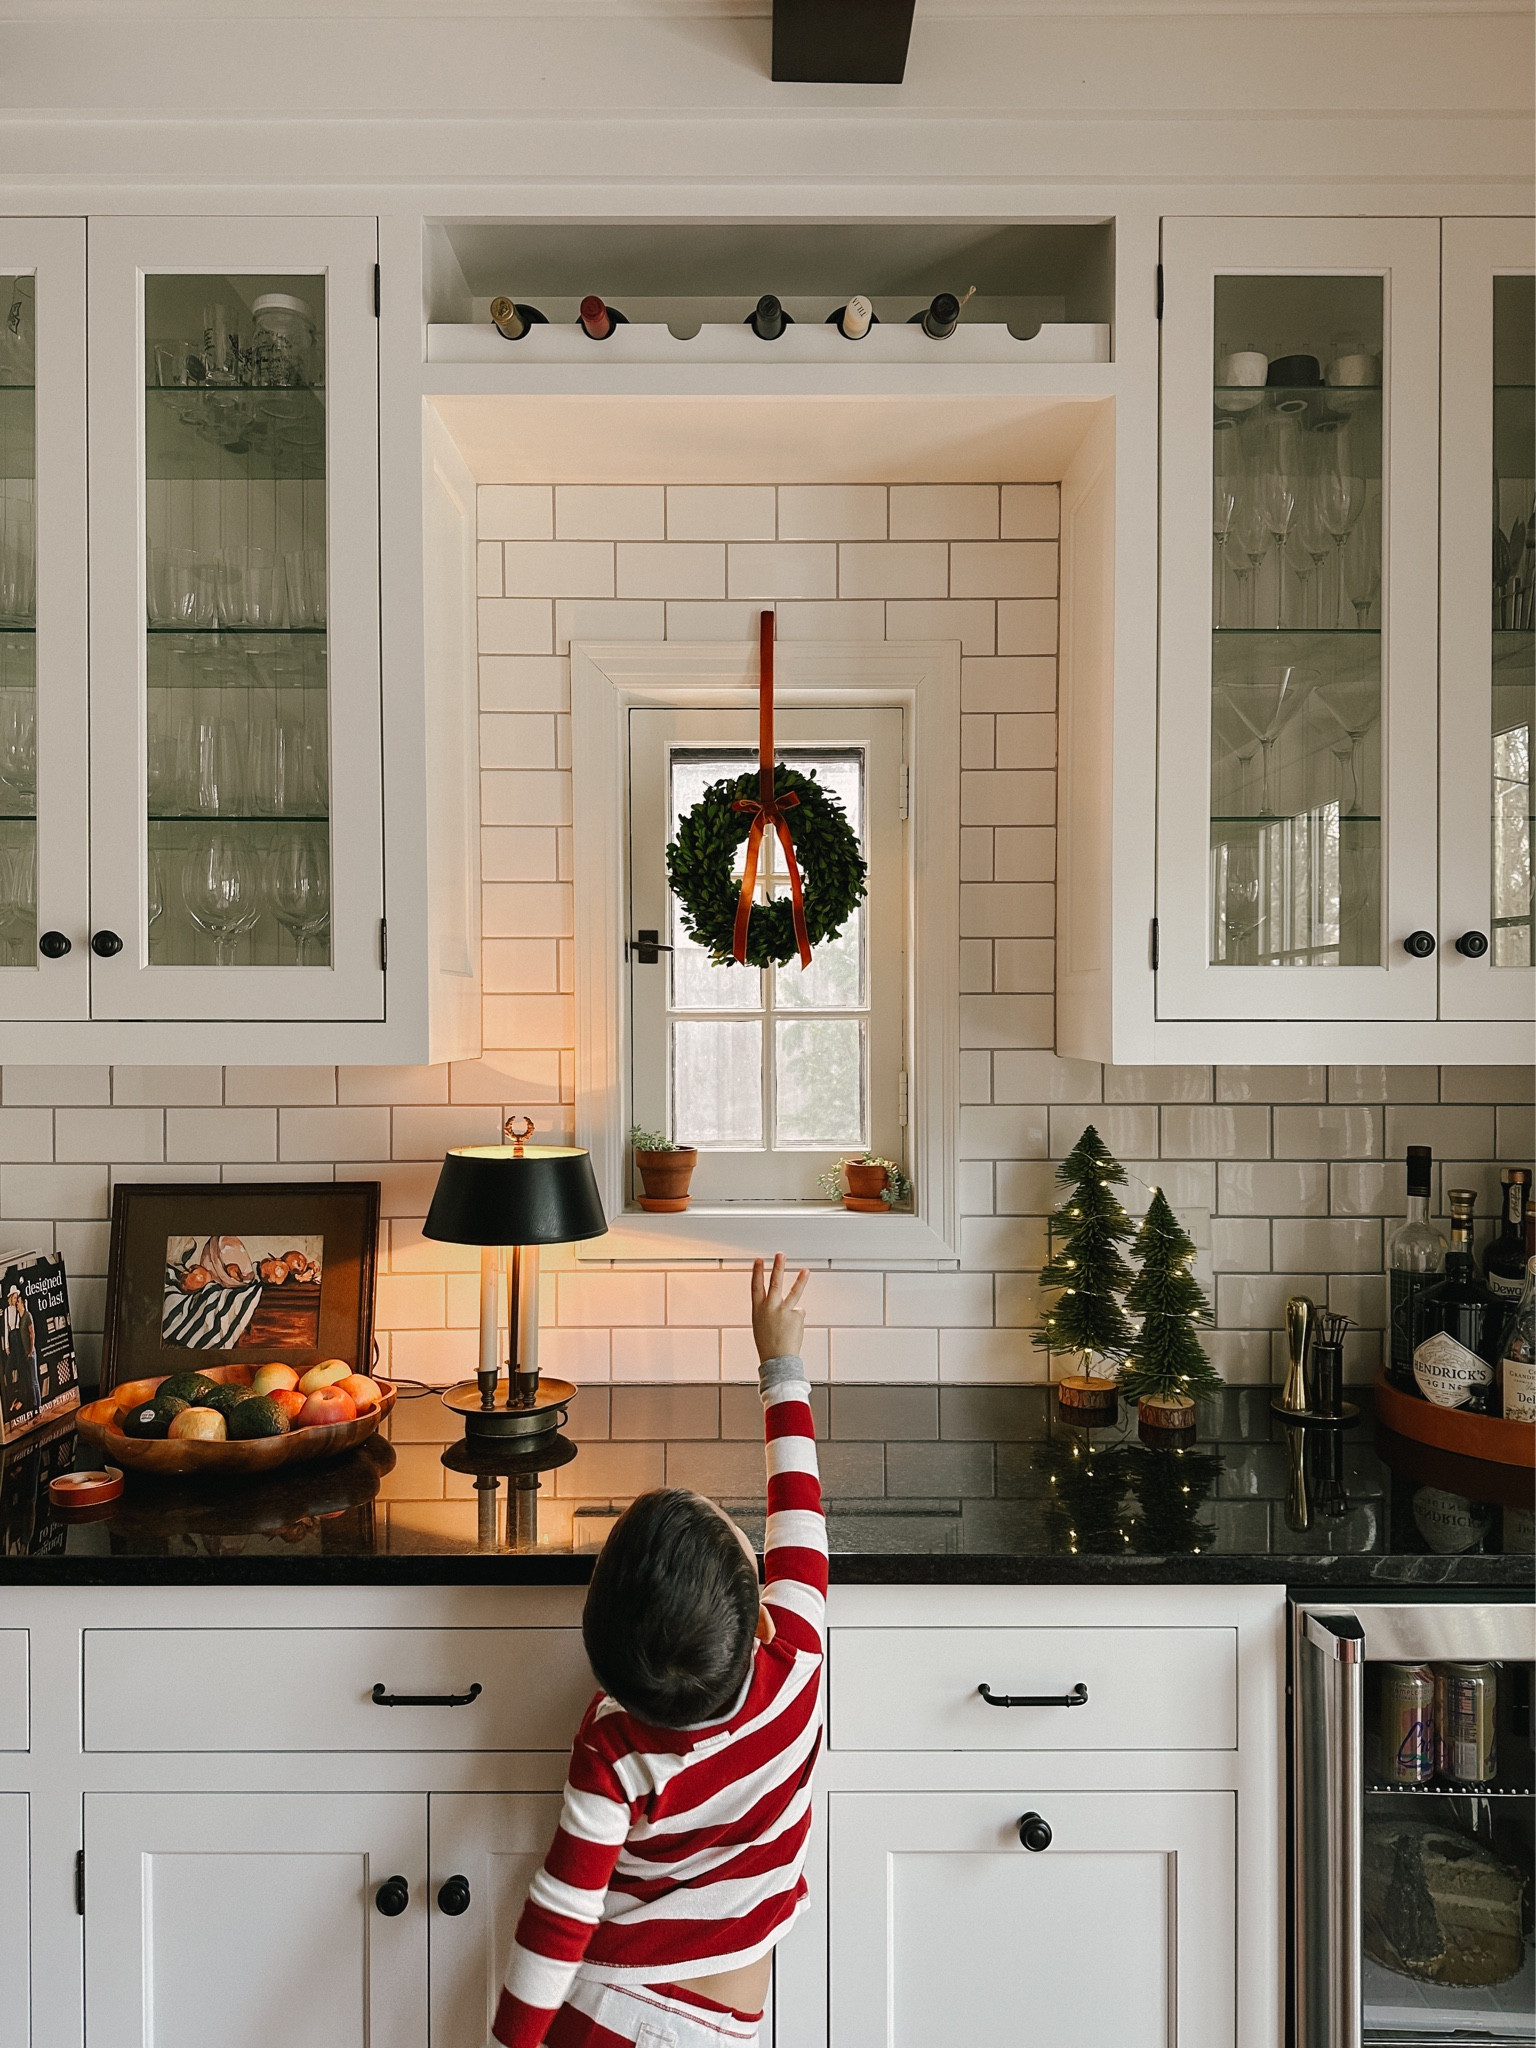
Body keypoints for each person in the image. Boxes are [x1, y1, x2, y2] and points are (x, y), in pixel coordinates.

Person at [492, 1255, 824, 2048]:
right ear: (759, 1621)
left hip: (607, 2012)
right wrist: (779, 1364)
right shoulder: (796, 1661)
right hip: (712, 2024)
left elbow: (562, 1913)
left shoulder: (615, 1742)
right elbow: (798, 1511)